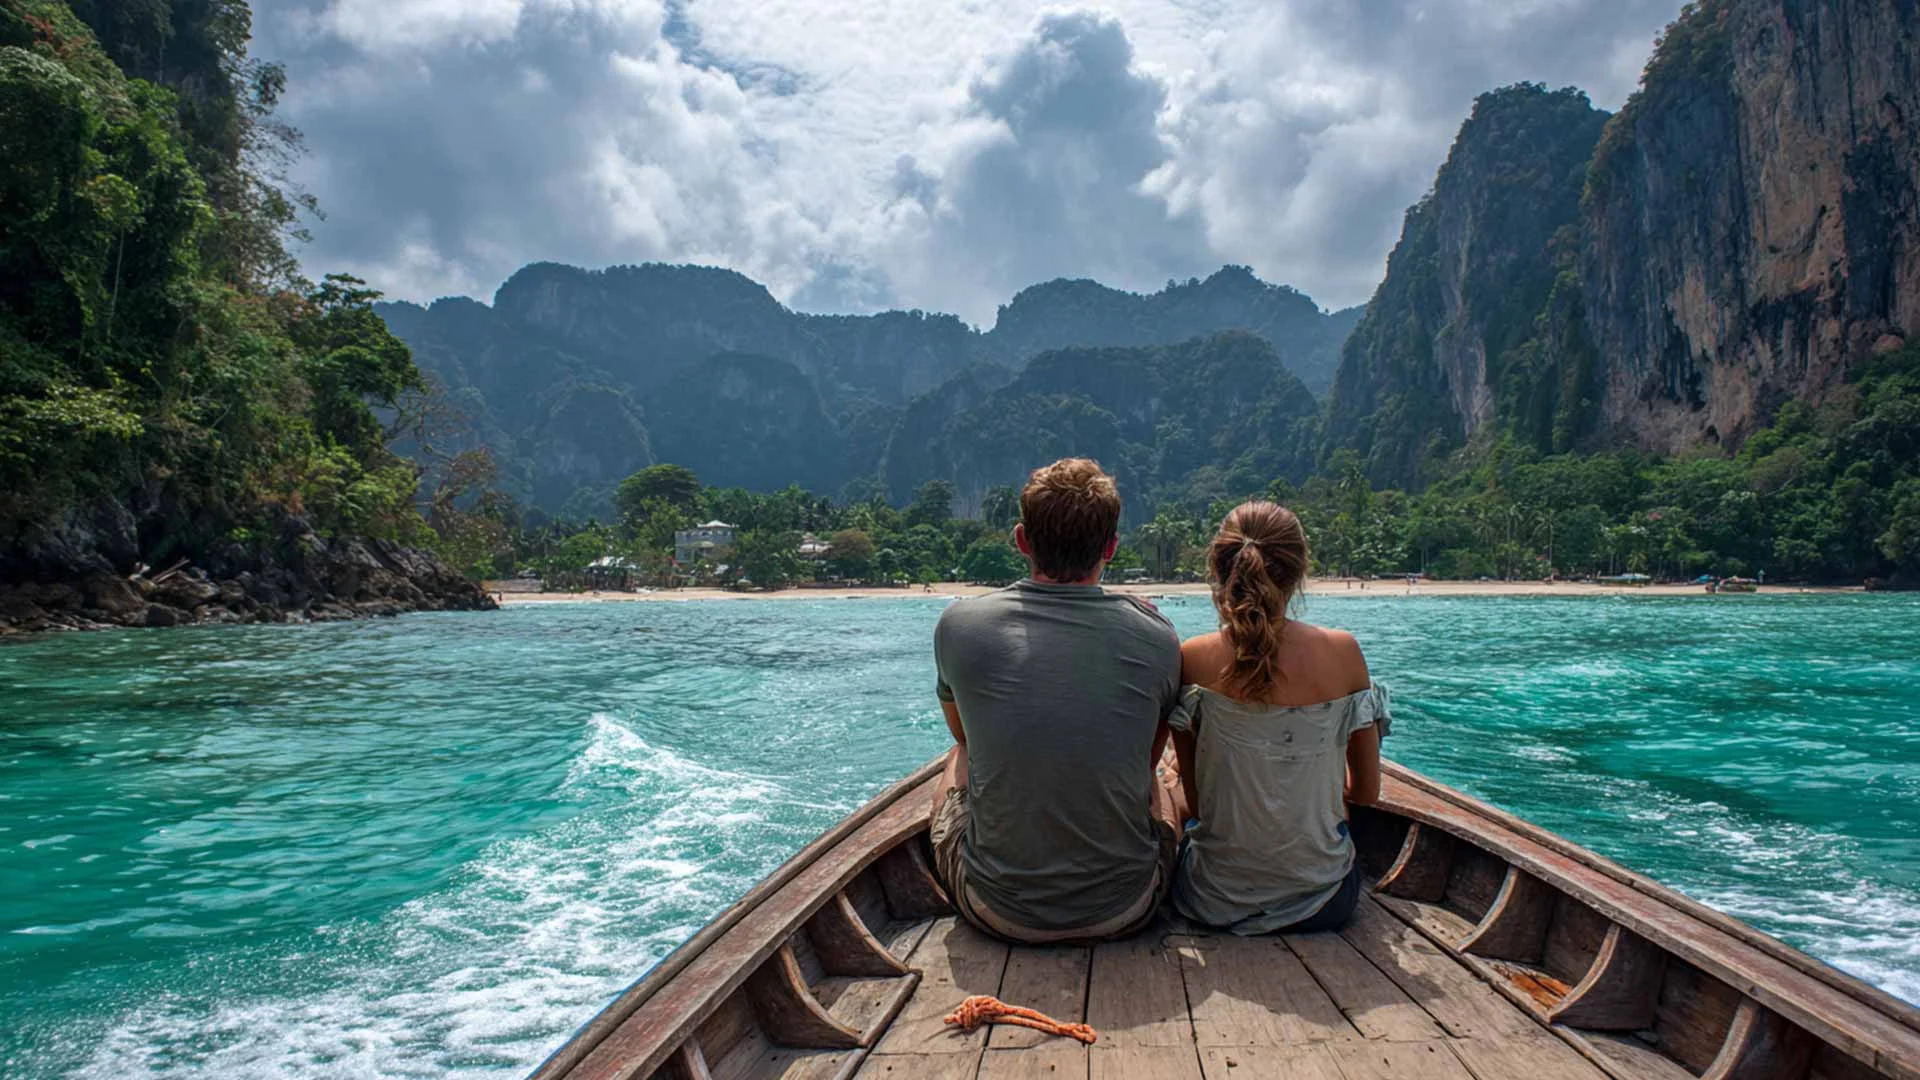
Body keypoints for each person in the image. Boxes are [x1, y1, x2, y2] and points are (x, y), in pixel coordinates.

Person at [929, 458, 1183, 943]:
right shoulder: (1157, 637)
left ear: (1022, 540)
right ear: (1110, 547)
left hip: (994, 909)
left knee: (959, 754)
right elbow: (1145, 761)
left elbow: (964, 736)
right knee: (1158, 778)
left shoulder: (959, 626)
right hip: (1127, 908)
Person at [1168, 501, 1387, 935]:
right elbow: (1367, 793)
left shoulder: (1192, 658)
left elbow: (1198, 805)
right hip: (1324, 900)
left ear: (1220, 569)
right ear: (1299, 571)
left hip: (1213, 896)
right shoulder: (1344, 653)